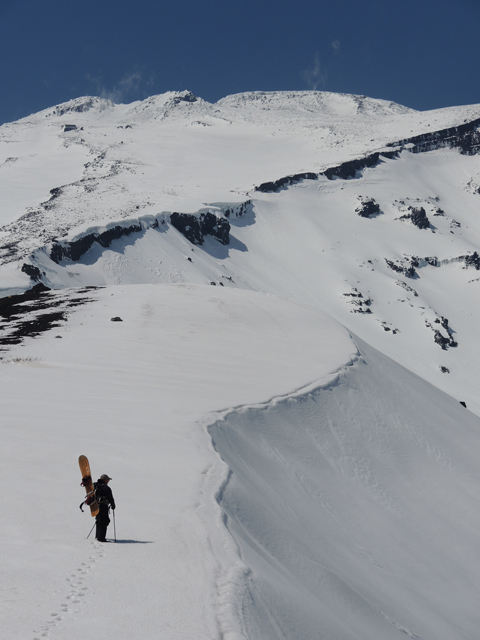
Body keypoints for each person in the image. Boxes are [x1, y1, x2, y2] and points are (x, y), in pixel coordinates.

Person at [95, 474, 115, 542]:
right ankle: (101, 538)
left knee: (98, 520)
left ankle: (97, 536)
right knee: (104, 521)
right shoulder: (106, 488)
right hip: (103, 506)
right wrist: (113, 505)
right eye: (108, 480)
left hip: (96, 506)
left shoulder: (96, 486)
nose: (108, 481)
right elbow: (110, 498)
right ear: (105, 480)